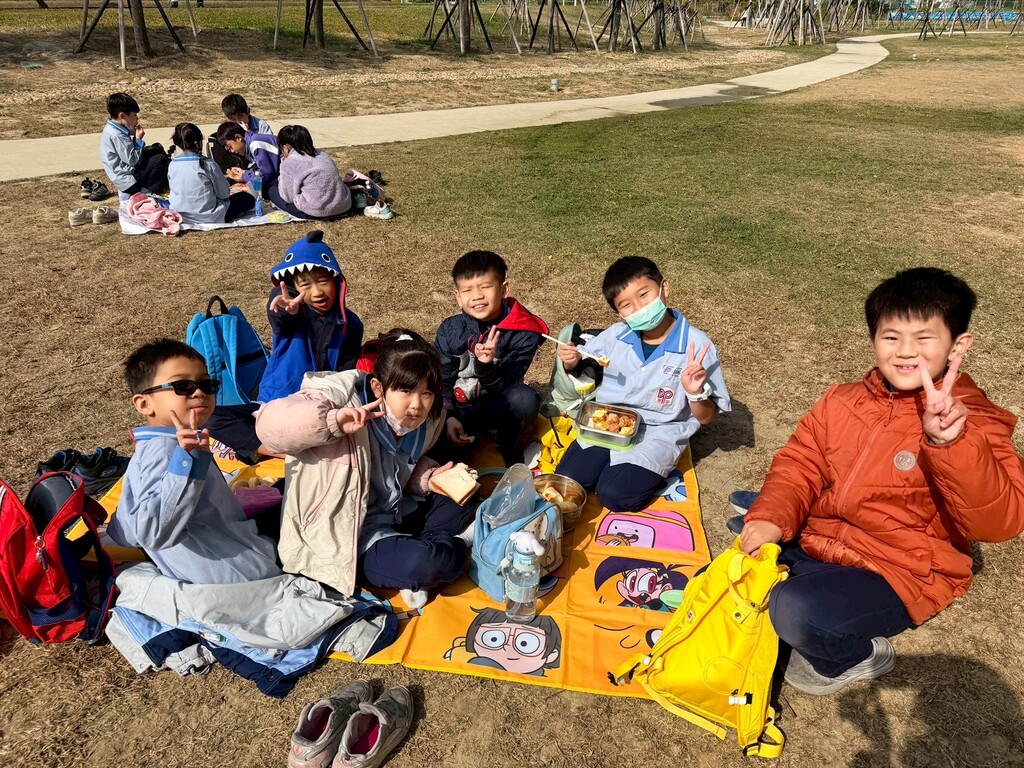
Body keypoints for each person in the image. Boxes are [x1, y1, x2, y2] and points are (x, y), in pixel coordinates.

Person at [737, 267, 1024, 696]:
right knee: (730, 577)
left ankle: (858, 658)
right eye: (891, 337)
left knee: (794, 611)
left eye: (924, 338)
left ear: (958, 344)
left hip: (900, 568)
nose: (906, 352)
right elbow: (800, 462)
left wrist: (951, 444)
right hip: (823, 539)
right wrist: (771, 516)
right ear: (873, 339)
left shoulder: (972, 419)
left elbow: (1000, 523)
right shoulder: (841, 400)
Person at [256, 330, 477, 610]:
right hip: (345, 537)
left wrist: (427, 480)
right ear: (378, 387)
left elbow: (397, 470)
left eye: (426, 393)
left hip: (395, 513)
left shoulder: (426, 421)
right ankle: (443, 550)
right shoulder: (340, 397)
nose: (417, 405)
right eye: (406, 390)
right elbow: (268, 428)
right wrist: (332, 422)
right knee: (426, 563)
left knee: (466, 495)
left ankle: (416, 554)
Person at [556, 256, 730, 512]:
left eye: (644, 295)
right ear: (619, 313)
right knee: (568, 482)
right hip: (607, 424)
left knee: (613, 494)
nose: (639, 308)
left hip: (659, 432)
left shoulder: (697, 347)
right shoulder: (616, 335)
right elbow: (584, 358)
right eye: (626, 305)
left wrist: (694, 394)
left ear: (664, 288)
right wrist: (571, 362)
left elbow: (707, 417)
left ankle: (649, 468)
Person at [107, 339, 280, 585]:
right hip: (238, 573)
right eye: (182, 386)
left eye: (207, 384)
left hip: (234, 560)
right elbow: (151, 532)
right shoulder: (169, 451)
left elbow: (126, 530)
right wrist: (187, 462)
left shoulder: (162, 445)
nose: (199, 392)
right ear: (144, 404)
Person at [205, 230, 364, 462]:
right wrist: (286, 309)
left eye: (323, 281)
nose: (317, 292)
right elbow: (280, 314)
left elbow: (344, 373)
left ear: (337, 281)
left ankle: (287, 447)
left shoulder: (351, 324)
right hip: (274, 405)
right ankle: (274, 451)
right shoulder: (292, 311)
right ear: (292, 287)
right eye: (305, 285)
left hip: (316, 408)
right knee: (212, 418)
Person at [434, 251, 548, 467]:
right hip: (457, 408)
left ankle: (508, 449)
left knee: (524, 399)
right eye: (467, 290)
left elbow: (508, 385)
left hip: (495, 405)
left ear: (504, 289)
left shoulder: (523, 331)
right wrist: (448, 415)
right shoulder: (450, 329)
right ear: (458, 296)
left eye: (485, 287)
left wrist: (485, 366)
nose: (477, 296)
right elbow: (442, 379)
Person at [167, 123, 255, 223]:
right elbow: (224, 194)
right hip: (209, 215)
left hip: (180, 214)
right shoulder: (208, 163)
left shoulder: (173, 164)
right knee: (247, 199)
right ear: (199, 140)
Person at [267, 124, 352, 220]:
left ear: (285, 148)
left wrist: (283, 164)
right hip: (342, 206)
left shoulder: (290, 162)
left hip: (315, 211)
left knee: (272, 189)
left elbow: (287, 197)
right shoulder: (322, 154)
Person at [99, 92, 170, 202]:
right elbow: (133, 160)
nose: (137, 118)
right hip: (128, 180)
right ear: (122, 116)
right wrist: (138, 140)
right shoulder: (117, 135)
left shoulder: (113, 128)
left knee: (156, 149)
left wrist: (133, 132)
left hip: (125, 173)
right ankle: (151, 190)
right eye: (134, 115)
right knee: (160, 159)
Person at [216, 121, 280, 187]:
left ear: (238, 138)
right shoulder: (250, 142)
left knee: (267, 189)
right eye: (228, 149)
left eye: (230, 147)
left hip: (284, 176)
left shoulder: (255, 144)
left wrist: (244, 177)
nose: (232, 151)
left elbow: (265, 175)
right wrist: (244, 173)